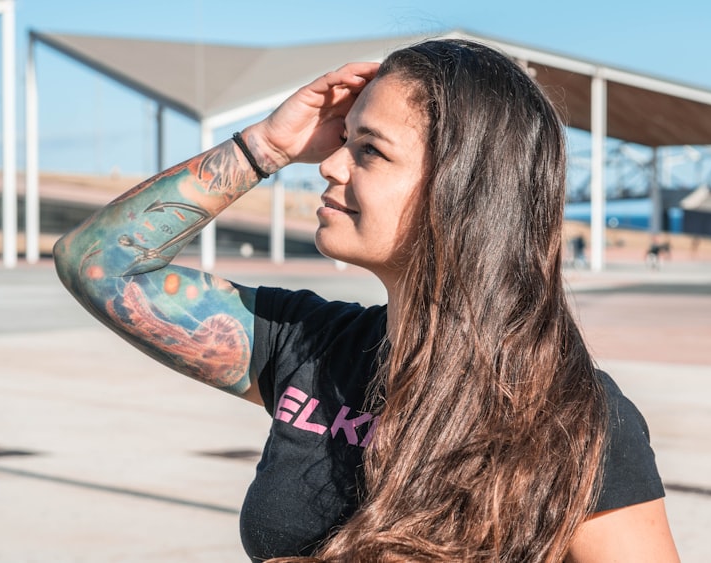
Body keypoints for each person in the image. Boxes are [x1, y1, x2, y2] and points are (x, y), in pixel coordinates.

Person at [54, 39, 679, 562]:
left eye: (369, 150)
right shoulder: (309, 345)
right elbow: (99, 265)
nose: (328, 165)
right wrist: (262, 148)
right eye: (341, 140)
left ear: (463, 189)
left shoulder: (575, 417)